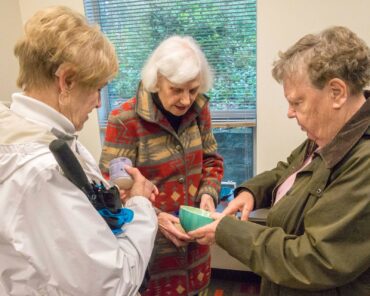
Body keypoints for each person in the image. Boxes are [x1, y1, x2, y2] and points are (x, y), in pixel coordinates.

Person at [189, 26, 370, 295]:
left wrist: (227, 231)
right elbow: (291, 171)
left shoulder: (363, 161)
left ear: (337, 92)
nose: (290, 113)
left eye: (298, 102)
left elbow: (314, 259)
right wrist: (252, 191)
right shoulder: (332, 134)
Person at [0, 6, 158, 296]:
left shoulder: (40, 136)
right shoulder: (40, 170)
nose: (99, 102)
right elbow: (112, 285)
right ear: (67, 80)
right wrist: (140, 205)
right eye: (98, 88)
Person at [100, 35, 224, 295]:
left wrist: (207, 196)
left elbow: (212, 161)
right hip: (151, 254)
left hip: (197, 249)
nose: (186, 100)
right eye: (176, 90)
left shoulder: (200, 110)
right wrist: (156, 218)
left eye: (193, 90)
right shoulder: (124, 120)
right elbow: (113, 192)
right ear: (157, 81)